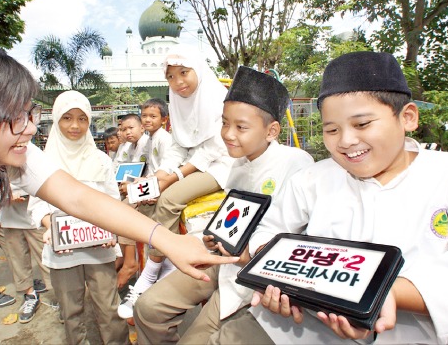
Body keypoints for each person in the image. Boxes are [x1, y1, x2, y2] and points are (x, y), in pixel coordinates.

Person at [0, 44, 237, 345]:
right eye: (15, 117)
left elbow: (78, 198)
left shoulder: (19, 151)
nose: (32, 128)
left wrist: (165, 239)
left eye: (29, 114)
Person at [207, 52, 448, 345]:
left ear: (407, 117)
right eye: (331, 129)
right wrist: (279, 276)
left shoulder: (443, 176)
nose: (345, 141)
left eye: (362, 124)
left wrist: (388, 293)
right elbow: (268, 231)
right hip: (301, 328)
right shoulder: (312, 179)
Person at [133, 66, 314, 344]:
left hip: (254, 275)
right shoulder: (237, 166)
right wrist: (213, 234)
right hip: (220, 259)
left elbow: (299, 238)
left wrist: (250, 253)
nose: (228, 134)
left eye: (240, 127)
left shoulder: (297, 164)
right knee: (147, 308)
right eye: (224, 123)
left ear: (272, 130)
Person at [118, 44, 234, 319]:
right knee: (134, 196)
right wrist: (162, 173)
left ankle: (152, 271)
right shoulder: (178, 101)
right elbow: (179, 146)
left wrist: (174, 176)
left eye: (184, 73)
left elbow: (214, 148)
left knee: (168, 198)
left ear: (198, 69)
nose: (178, 82)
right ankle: (151, 263)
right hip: (191, 164)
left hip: (220, 166)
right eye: (171, 77)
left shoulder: (217, 97)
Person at [30, 90, 129, 344]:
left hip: (98, 246)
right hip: (62, 250)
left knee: (109, 308)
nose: (75, 125)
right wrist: (48, 225)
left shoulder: (101, 160)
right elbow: (36, 204)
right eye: (67, 118)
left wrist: (112, 231)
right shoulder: (42, 162)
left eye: (82, 119)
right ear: (56, 120)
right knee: (71, 311)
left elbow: (111, 201)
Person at [117, 98, 174, 290]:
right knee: (120, 204)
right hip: (153, 183)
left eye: (153, 116)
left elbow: (166, 170)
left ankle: (130, 262)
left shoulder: (163, 139)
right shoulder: (150, 138)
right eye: (144, 116)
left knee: (125, 209)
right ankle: (128, 259)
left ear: (164, 119)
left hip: (161, 185)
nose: (147, 120)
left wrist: (139, 188)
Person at [0, 184, 51, 324]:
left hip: (37, 217)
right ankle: (30, 295)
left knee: (47, 257)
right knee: (17, 259)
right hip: (10, 216)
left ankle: (60, 297)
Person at [116, 113, 149, 198]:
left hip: (146, 187)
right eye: (124, 130)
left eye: (131, 128)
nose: (127, 132)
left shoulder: (147, 143)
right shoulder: (129, 146)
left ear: (142, 128)